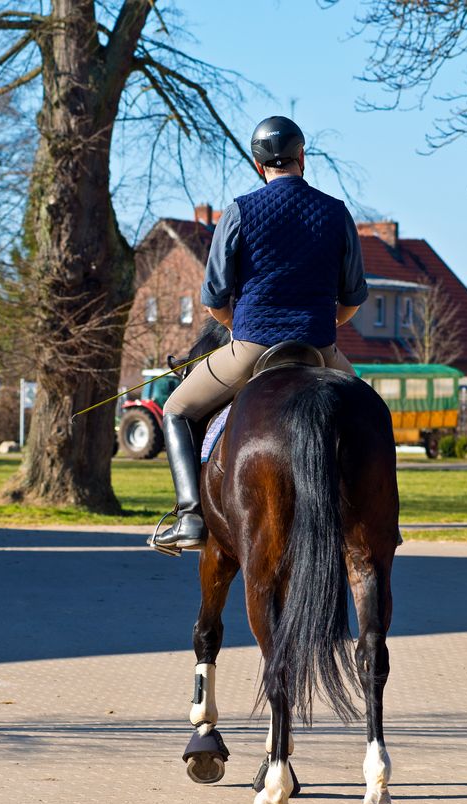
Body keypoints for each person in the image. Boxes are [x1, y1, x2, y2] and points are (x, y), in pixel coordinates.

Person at [150, 115, 368, 552]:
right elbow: (353, 297)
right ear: (302, 157)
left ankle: (191, 516)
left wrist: (239, 328)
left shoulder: (240, 212)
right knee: (369, 412)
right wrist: (325, 328)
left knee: (175, 408)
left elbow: (214, 297)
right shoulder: (336, 212)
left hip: (251, 349)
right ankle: (372, 518)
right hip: (320, 351)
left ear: (258, 164)